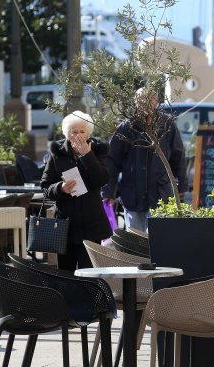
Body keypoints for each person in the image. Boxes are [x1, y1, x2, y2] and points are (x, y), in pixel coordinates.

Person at [102, 89, 188, 232]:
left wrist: (182, 186)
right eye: (141, 99)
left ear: (156, 101)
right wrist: (108, 191)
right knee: (135, 244)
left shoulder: (167, 124)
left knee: (158, 243)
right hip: (132, 196)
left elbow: (178, 156)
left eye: (150, 99)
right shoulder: (126, 127)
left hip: (161, 195)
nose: (146, 102)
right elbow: (112, 162)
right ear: (136, 102)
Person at [40, 111, 112, 271]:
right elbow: (45, 187)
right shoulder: (57, 153)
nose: (78, 135)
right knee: (66, 273)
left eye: (82, 131)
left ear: (88, 133)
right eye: (74, 132)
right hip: (66, 225)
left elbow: (102, 179)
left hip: (91, 224)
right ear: (67, 134)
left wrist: (87, 155)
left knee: (90, 272)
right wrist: (60, 188)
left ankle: (88, 297)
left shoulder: (99, 150)